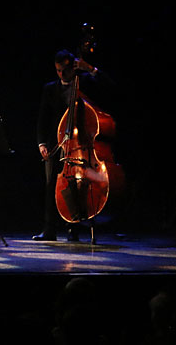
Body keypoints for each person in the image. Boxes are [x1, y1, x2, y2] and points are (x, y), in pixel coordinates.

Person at [33, 50, 115, 241]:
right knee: (51, 185)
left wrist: (91, 69)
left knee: (78, 185)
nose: (61, 75)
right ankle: (49, 230)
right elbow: (42, 118)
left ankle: (74, 229)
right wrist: (42, 143)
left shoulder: (85, 82)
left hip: (81, 145)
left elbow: (111, 87)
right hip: (57, 143)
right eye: (58, 71)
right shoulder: (49, 88)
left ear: (73, 68)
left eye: (65, 71)